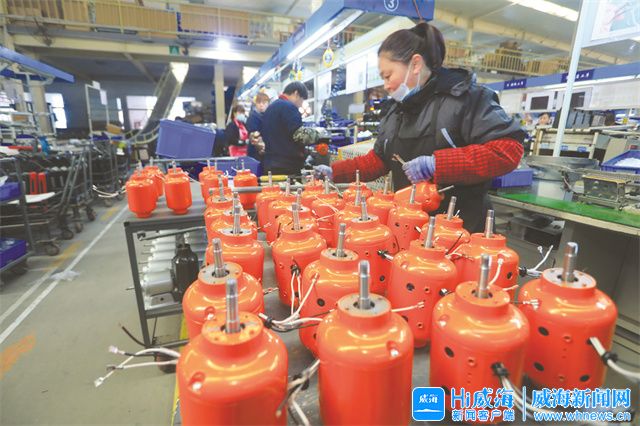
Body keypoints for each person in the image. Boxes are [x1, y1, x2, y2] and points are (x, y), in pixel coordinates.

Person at [315, 22, 525, 232]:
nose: (386, 85)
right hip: (409, 226)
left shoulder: (466, 99)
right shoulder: (396, 112)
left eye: (388, 76)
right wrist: (335, 173)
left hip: (461, 231)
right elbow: (378, 160)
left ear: (415, 64)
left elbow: (507, 150)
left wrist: (437, 164)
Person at [260, 81, 321, 176]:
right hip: (287, 166)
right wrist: (318, 135)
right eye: (302, 100)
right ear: (296, 93)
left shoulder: (271, 107)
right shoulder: (289, 107)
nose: (301, 105)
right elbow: (299, 135)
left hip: (270, 164)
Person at [245, 92, 270, 160]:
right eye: (259, 103)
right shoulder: (253, 117)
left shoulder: (268, 116)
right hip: (256, 152)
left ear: (268, 104)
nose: (261, 105)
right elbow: (254, 136)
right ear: (255, 104)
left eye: (264, 103)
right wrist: (262, 147)